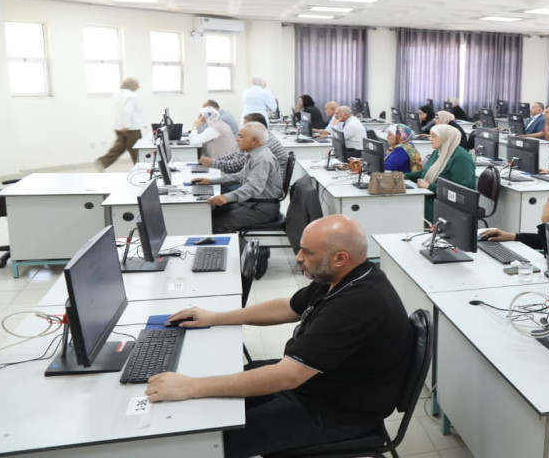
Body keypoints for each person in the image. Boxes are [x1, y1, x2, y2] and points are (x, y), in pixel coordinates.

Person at [145, 215, 412, 458]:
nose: (298, 257)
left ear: (340, 258)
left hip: (339, 411)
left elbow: (286, 376)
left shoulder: (356, 305)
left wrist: (192, 387)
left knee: (215, 440)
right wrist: (215, 317)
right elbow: (288, 307)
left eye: (307, 252)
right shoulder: (341, 278)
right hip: (320, 385)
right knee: (223, 393)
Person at [193, 122, 282, 234]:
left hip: (261, 209)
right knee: (213, 213)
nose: (237, 139)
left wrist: (226, 197)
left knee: (216, 225)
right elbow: (240, 176)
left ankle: (242, 246)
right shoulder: (255, 154)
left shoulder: (262, 159)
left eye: (241, 136)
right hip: (253, 203)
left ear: (253, 140)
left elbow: (253, 187)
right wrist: (211, 181)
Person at [404, 124, 476, 223]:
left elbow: (460, 190)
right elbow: (426, 171)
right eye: (430, 136)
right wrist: (403, 176)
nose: (430, 139)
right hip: (435, 196)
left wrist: (429, 186)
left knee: (410, 207)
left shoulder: (461, 157)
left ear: (445, 138)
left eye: (434, 136)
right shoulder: (438, 152)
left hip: (452, 204)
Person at [200, 113, 288, 173]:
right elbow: (237, 154)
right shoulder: (258, 137)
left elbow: (238, 165)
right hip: (255, 182)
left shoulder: (263, 142)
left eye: (246, 126)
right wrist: (215, 161)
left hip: (266, 188)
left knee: (216, 188)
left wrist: (213, 163)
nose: (243, 129)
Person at [96, 77, 146, 170]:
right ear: (131, 85)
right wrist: (126, 125)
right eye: (137, 85)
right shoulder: (131, 95)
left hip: (119, 126)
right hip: (131, 128)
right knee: (137, 149)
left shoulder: (117, 94)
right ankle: (141, 169)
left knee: (119, 148)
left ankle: (102, 162)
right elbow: (127, 110)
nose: (139, 87)